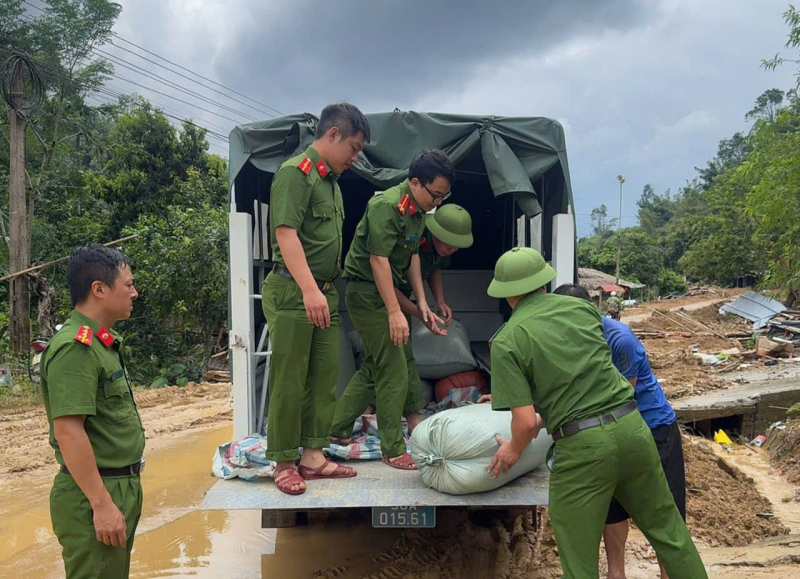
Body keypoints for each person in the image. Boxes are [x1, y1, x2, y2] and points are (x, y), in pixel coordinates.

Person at [485, 247, 706, 579]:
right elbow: (584, 377)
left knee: (579, 556)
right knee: (670, 532)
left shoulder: (506, 342)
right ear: (544, 283)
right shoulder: (580, 309)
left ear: (507, 295)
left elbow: (526, 420)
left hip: (584, 450)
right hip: (634, 428)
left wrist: (514, 448)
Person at [262, 102, 370, 495]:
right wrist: (309, 289)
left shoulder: (331, 185)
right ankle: (284, 462)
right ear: (332, 135)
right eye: (354, 148)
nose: (355, 157)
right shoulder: (296, 175)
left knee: (323, 378)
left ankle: (313, 456)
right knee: (290, 379)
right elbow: (285, 234)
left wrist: (319, 291)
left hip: (323, 292)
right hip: (294, 291)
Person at [329, 149, 455, 470]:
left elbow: (413, 258)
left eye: (444, 196)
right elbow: (378, 261)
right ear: (415, 183)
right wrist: (395, 312)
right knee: (393, 367)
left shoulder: (417, 213)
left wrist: (422, 304)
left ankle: (336, 427)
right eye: (435, 195)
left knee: (375, 366)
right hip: (367, 293)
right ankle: (392, 448)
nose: (437, 202)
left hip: (387, 292)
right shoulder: (385, 206)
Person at [552, 283, 685, 579]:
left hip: (652, 428)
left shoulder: (619, 338)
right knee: (612, 509)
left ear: (587, 311)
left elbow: (620, 396)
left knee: (665, 513)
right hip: (611, 433)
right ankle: (616, 574)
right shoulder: (571, 339)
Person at [40, 244, 145, 578]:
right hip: (95, 493)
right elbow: (68, 431)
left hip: (117, 486)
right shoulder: (76, 348)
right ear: (99, 289)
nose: (135, 292)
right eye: (128, 285)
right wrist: (101, 504)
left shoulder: (102, 342)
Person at [361, 203, 474, 430]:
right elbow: (389, 285)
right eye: (449, 242)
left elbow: (434, 268)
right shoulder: (414, 239)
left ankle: (403, 417)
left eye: (457, 245)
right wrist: (420, 313)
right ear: (434, 232)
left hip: (405, 301)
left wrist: (439, 302)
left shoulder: (441, 251)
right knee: (385, 359)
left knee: (403, 358)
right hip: (383, 297)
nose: (452, 249)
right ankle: (366, 415)